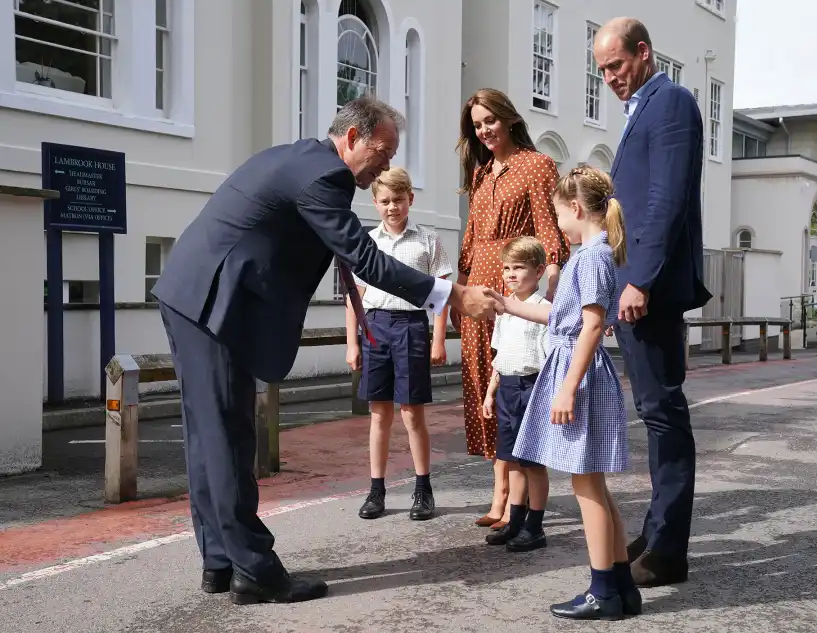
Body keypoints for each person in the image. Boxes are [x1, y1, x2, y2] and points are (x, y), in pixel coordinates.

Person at [150, 97, 502, 606]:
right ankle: (254, 571)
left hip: (194, 296)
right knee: (226, 436)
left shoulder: (300, 158)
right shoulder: (325, 177)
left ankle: (221, 561)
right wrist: (453, 295)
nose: (385, 165)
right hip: (212, 304)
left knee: (208, 436)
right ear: (353, 138)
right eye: (382, 152)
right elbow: (366, 260)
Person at [593, 18, 712, 587]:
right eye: (602, 71)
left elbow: (665, 198)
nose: (610, 78)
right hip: (638, 286)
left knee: (665, 416)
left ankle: (667, 549)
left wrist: (637, 280)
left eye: (616, 65)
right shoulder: (644, 107)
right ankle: (657, 531)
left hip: (652, 290)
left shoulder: (672, 102)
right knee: (656, 413)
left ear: (644, 52)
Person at [497, 167, 640, 620]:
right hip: (574, 366)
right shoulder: (591, 254)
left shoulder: (591, 257)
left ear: (576, 209)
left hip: (578, 374)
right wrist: (505, 304)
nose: (557, 224)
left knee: (586, 485)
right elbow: (565, 322)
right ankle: (619, 587)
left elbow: (593, 326)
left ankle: (603, 591)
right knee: (592, 484)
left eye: (559, 215)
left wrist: (567, 389)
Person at [453, 88, 570, 531]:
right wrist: (458, 292)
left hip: (513, 290)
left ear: (507, 117)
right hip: (477, 293)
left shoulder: (536, 165)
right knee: (486, 388)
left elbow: (548, 229)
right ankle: (499, 489)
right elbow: (468, 242)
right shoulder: (482, 174)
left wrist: (554, 285)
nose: (484, 130)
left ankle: (511, 496)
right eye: (477, 125)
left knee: (514, 387)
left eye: (489, 121)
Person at [344, 167, 453, 522]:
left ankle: (423, 488)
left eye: (399, 200)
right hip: (375, 327)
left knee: (411, 412)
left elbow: (441, 294)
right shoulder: (368, 242)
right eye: (385, 201)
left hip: (411, 327)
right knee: (379, 412)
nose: (393, 207)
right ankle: (376, 490)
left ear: (411, 199)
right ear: (375, 203)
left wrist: (439, 339)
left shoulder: (427, 240)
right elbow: (354, 299)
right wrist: (353, 343)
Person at [481, 236, 551, 552]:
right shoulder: (504, 310)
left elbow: (551, 358)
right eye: (507, 267)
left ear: (538, 272)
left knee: (532, 462)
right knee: (511, 460)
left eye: (519, 268)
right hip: (508, 388)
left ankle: (535, 527)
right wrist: (490, 392)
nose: (510, 274)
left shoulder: (545, 311)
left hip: (533, 387)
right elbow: (501, 355)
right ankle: (516, 521)